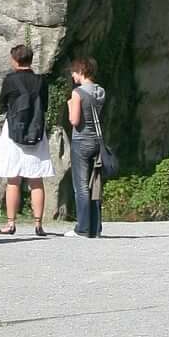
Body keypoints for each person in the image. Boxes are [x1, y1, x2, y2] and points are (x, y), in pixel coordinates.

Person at [0, 43, 58, 237]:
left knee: (13, 179)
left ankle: (11, 223)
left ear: (15, 60)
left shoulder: (10, 80)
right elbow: (44, 106)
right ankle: (38, 224)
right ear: (30, 60)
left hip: (13, 132)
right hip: (36, 131)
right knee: (36, 180)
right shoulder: (40, 81)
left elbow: (2, 106)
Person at [63, 55, 110, 239]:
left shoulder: (78, 93)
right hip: (97, 142)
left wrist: (69, 106)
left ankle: (82, 228)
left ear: (81, 71)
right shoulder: (100, 91)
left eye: (74, 72)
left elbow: (74, 120)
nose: (73, 76)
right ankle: (95, 227)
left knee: (81, 186)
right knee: (95, 185)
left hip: (81, 141)